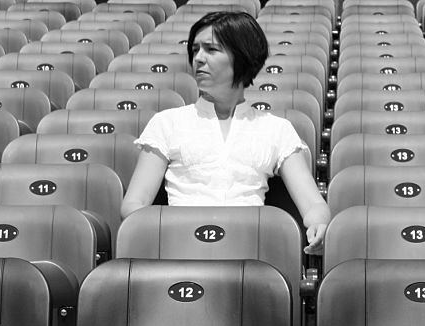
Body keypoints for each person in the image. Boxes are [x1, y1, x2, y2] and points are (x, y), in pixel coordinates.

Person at [120, 11, 330, 254]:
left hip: (250, 252)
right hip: (178, 249)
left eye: (211, 49)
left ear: (241, 57)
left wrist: (317, 223)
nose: (198, 58)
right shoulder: (166, 123)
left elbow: (313, 203)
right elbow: (135, 202)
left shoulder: (277, 129)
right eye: (195, 49)